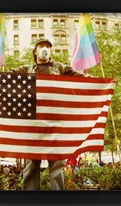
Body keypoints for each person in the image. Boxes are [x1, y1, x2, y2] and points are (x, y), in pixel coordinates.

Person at [12, 38, 85, 190]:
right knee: (32, 162)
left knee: (57, 162)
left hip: (54, 119)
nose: (45, 49)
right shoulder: (26, 69)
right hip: (34, 121)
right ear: (35, 50)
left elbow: (78, 77)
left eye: (47, 46)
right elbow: (11, 76)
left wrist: (98, 82)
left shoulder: (59, 67)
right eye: (41, 46)